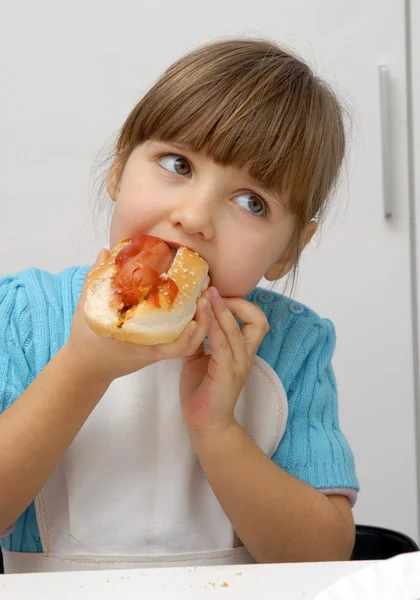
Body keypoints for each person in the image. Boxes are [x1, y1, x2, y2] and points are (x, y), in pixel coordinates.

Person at [0, 38, 359, 574]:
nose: (193, 217)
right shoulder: (29, 313)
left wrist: (217, 429)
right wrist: (80, 368)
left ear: (288, 250)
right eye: (178, 164)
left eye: (252, 202)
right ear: (120, 168)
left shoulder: (291, 343)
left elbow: (323, 557)